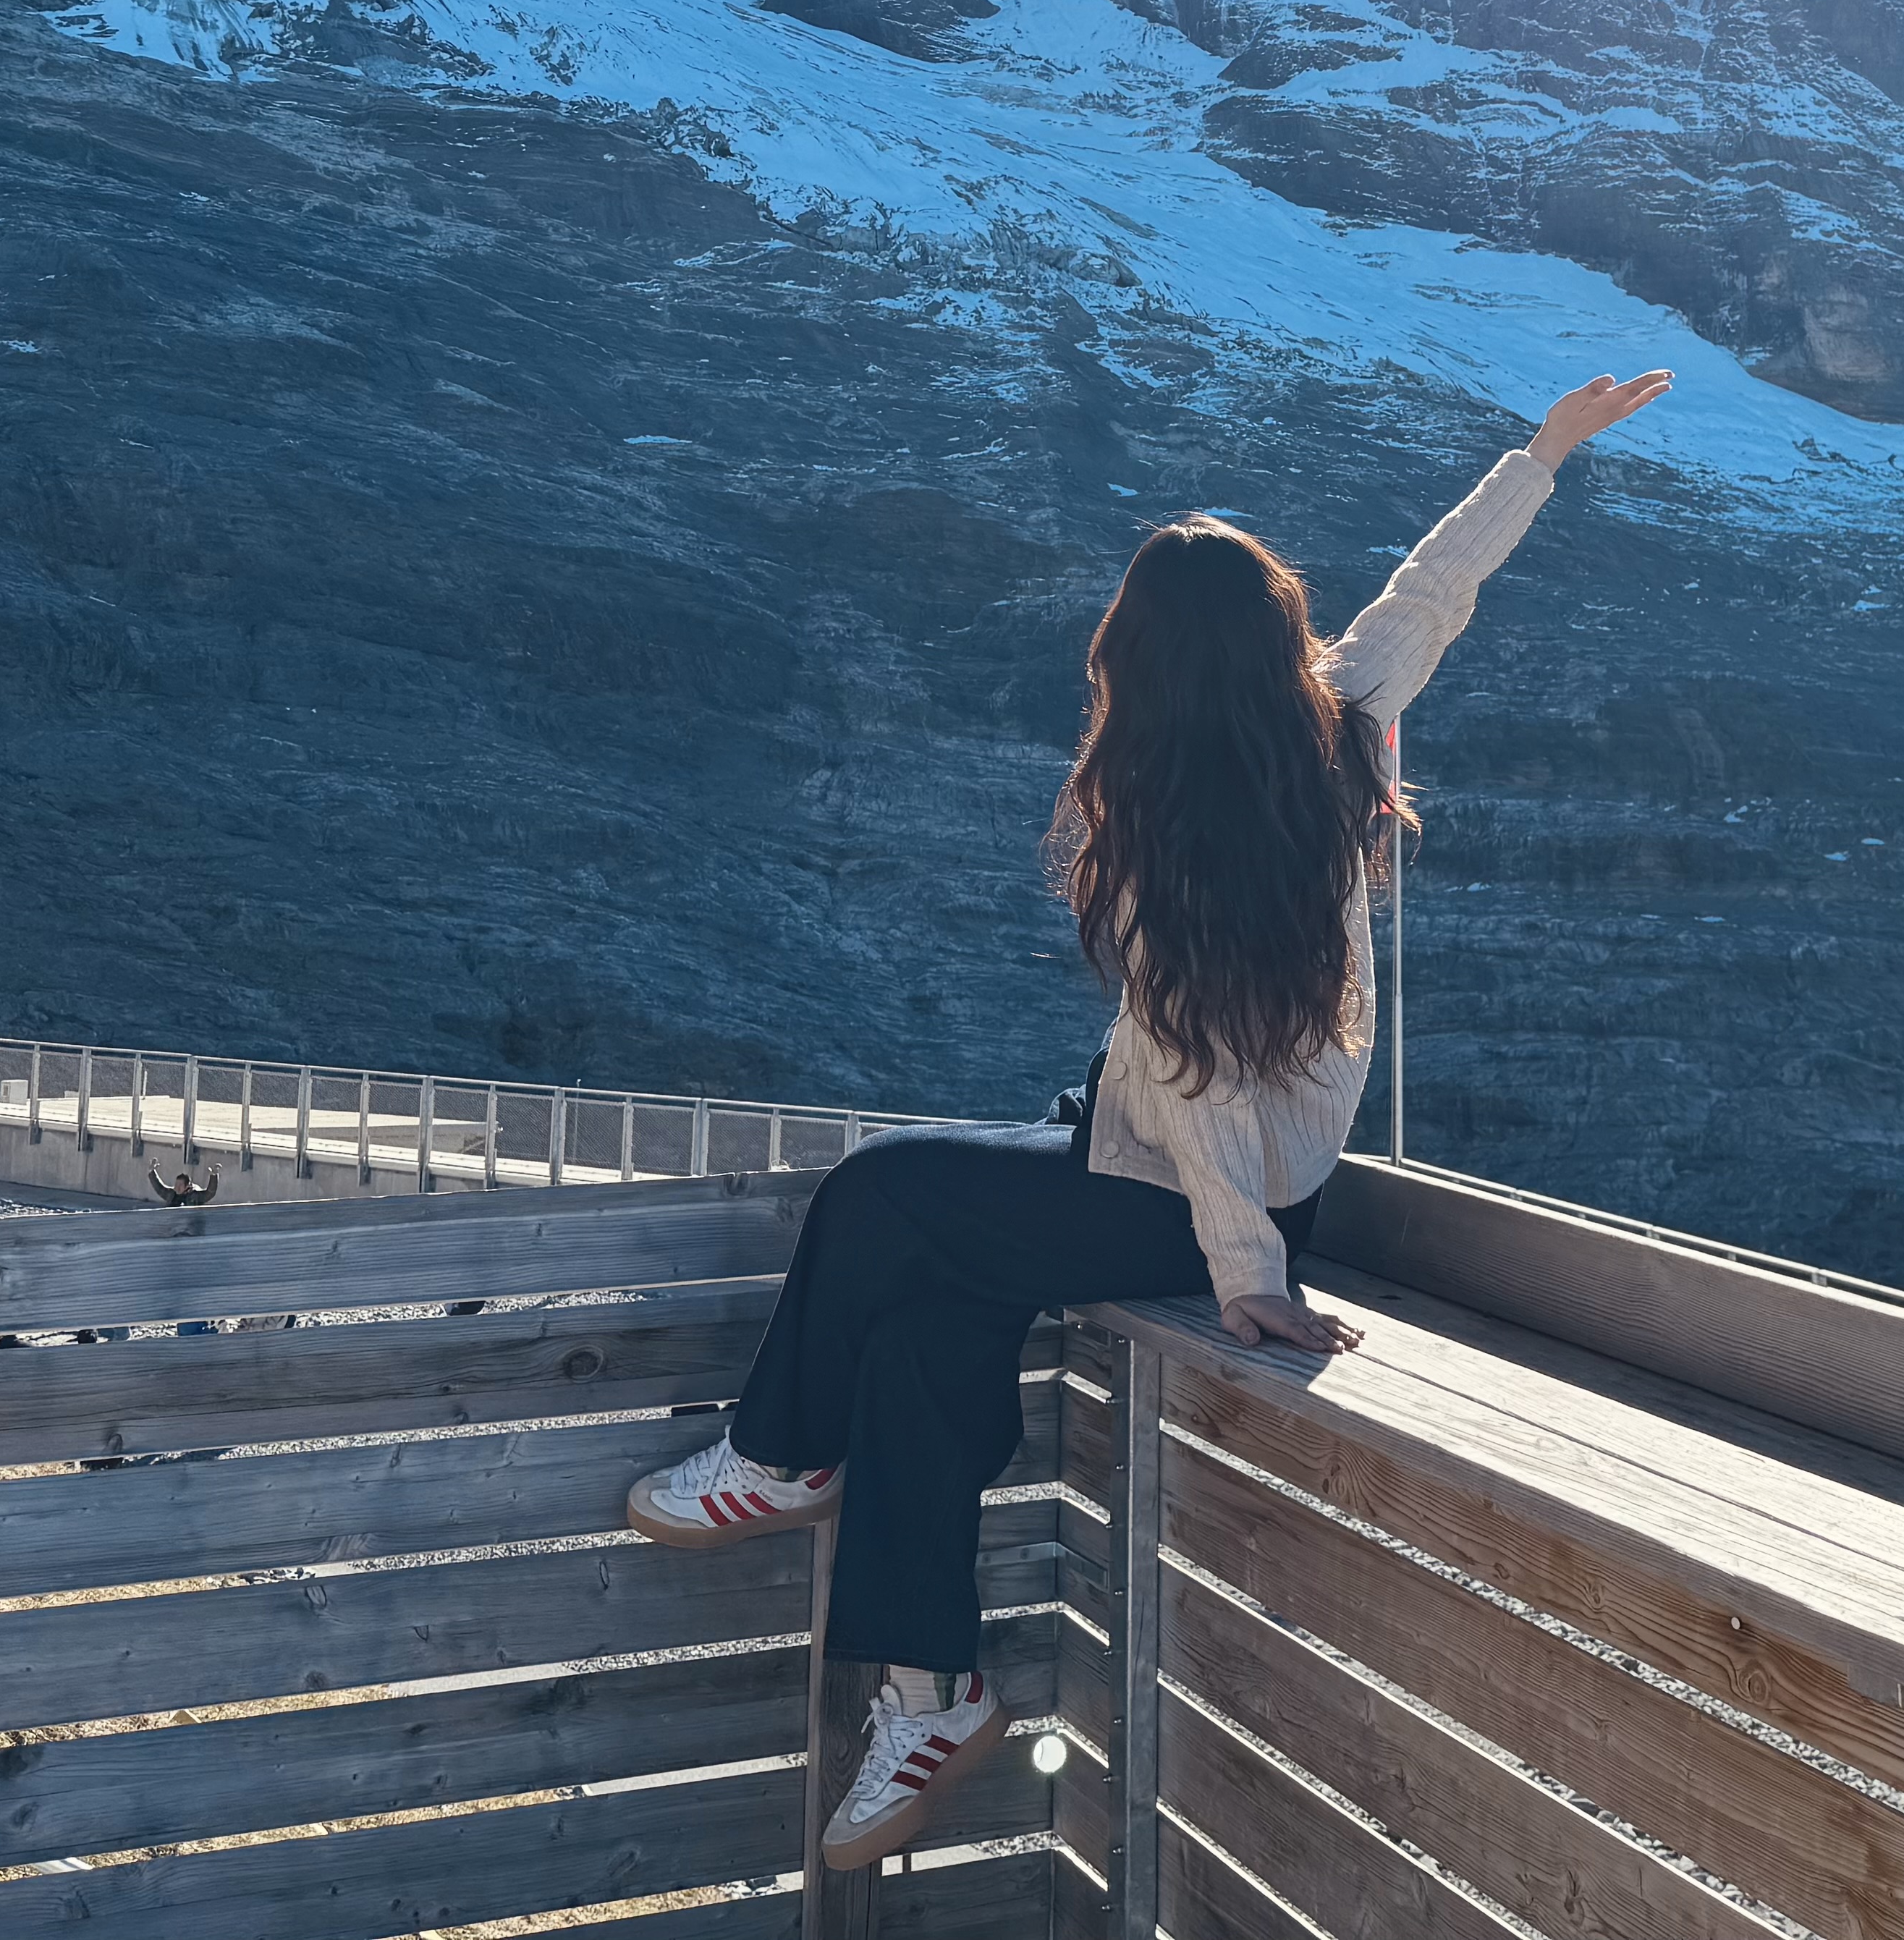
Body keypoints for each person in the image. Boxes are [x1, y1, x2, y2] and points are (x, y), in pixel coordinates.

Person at [621, 370, 1672, 1869]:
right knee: (921, 1322)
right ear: (1270, 644)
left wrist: (1243, 1272)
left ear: (1140, 663)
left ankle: (780, 1454)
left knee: (874, 1195)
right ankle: (930, 1694)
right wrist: (1544, 454)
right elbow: (1431, 593)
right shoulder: (1340, 728)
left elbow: (1197, 1089)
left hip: (1187, 1186)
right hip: (1188, 1162)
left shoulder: (1160, 840)